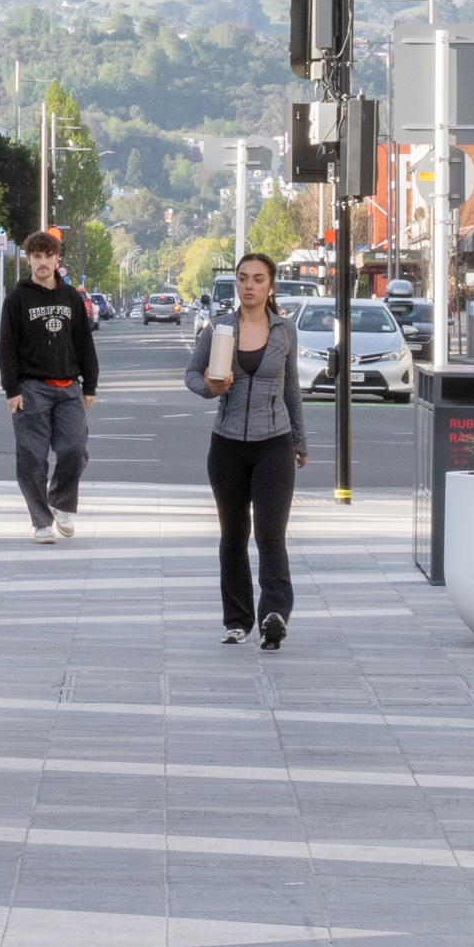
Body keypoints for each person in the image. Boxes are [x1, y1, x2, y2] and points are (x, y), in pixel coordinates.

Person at [190, 248, 308, 649]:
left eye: (258, 279)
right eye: (243, 278)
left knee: (271, 534)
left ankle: (274, 612)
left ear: (271, 285)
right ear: (235, 283)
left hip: (274, 443)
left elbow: (292, 389)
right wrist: (208, 386)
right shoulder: (218, 328)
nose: (249, 286)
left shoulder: (285, 331)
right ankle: (237, 620)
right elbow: (192, 374)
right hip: (226, 444)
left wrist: (300, 440)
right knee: (234, 532)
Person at [0, 227, 102, 543]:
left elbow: (84, 342)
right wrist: (11, 389)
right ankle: (41, 521)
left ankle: (60, 502)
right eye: (37, 257)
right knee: (32, 456)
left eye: (49, 256)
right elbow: (7, 347)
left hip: (69, 386)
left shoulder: (71, 297)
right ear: (29, 260)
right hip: (31, 388)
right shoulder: (17, 298)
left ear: (58, 259)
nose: (43, 262)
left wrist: (90, 385)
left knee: (75, 449)